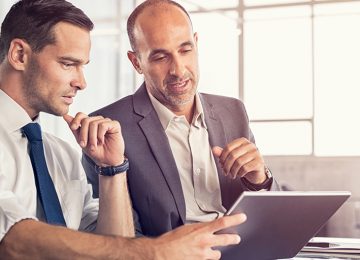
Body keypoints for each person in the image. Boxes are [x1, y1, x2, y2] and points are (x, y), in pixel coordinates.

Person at [0, 1, 247, 259]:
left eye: (83, 66)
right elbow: (13, 240)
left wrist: (112, 170)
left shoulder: (59, 154)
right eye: (67, 64)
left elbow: (111, 247)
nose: (82, 82)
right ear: (19, 55)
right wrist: (155, 251)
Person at [84, 0, 280, 238]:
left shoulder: (233, 111)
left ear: (196, 44)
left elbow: (270, 217)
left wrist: (259, 179)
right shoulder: (109, 127)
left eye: (185, 50)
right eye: (160, 57)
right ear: (136, 62)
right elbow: (113, 239)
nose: (178, 69)